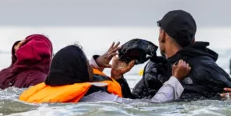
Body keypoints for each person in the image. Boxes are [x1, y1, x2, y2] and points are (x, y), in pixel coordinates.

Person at [20, 45, 191, 104]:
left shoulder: (51, 88)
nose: (90, 66)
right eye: (87, 63)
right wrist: (175, 80)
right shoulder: (100, 98)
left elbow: (76, 76)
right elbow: (154, 106)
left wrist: (105, 69)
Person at [133, 10, 231, 100]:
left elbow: (133, 102)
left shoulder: (154, 70)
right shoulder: (206, 67)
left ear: (162, 34)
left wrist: (118, 78)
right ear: (193, 40)